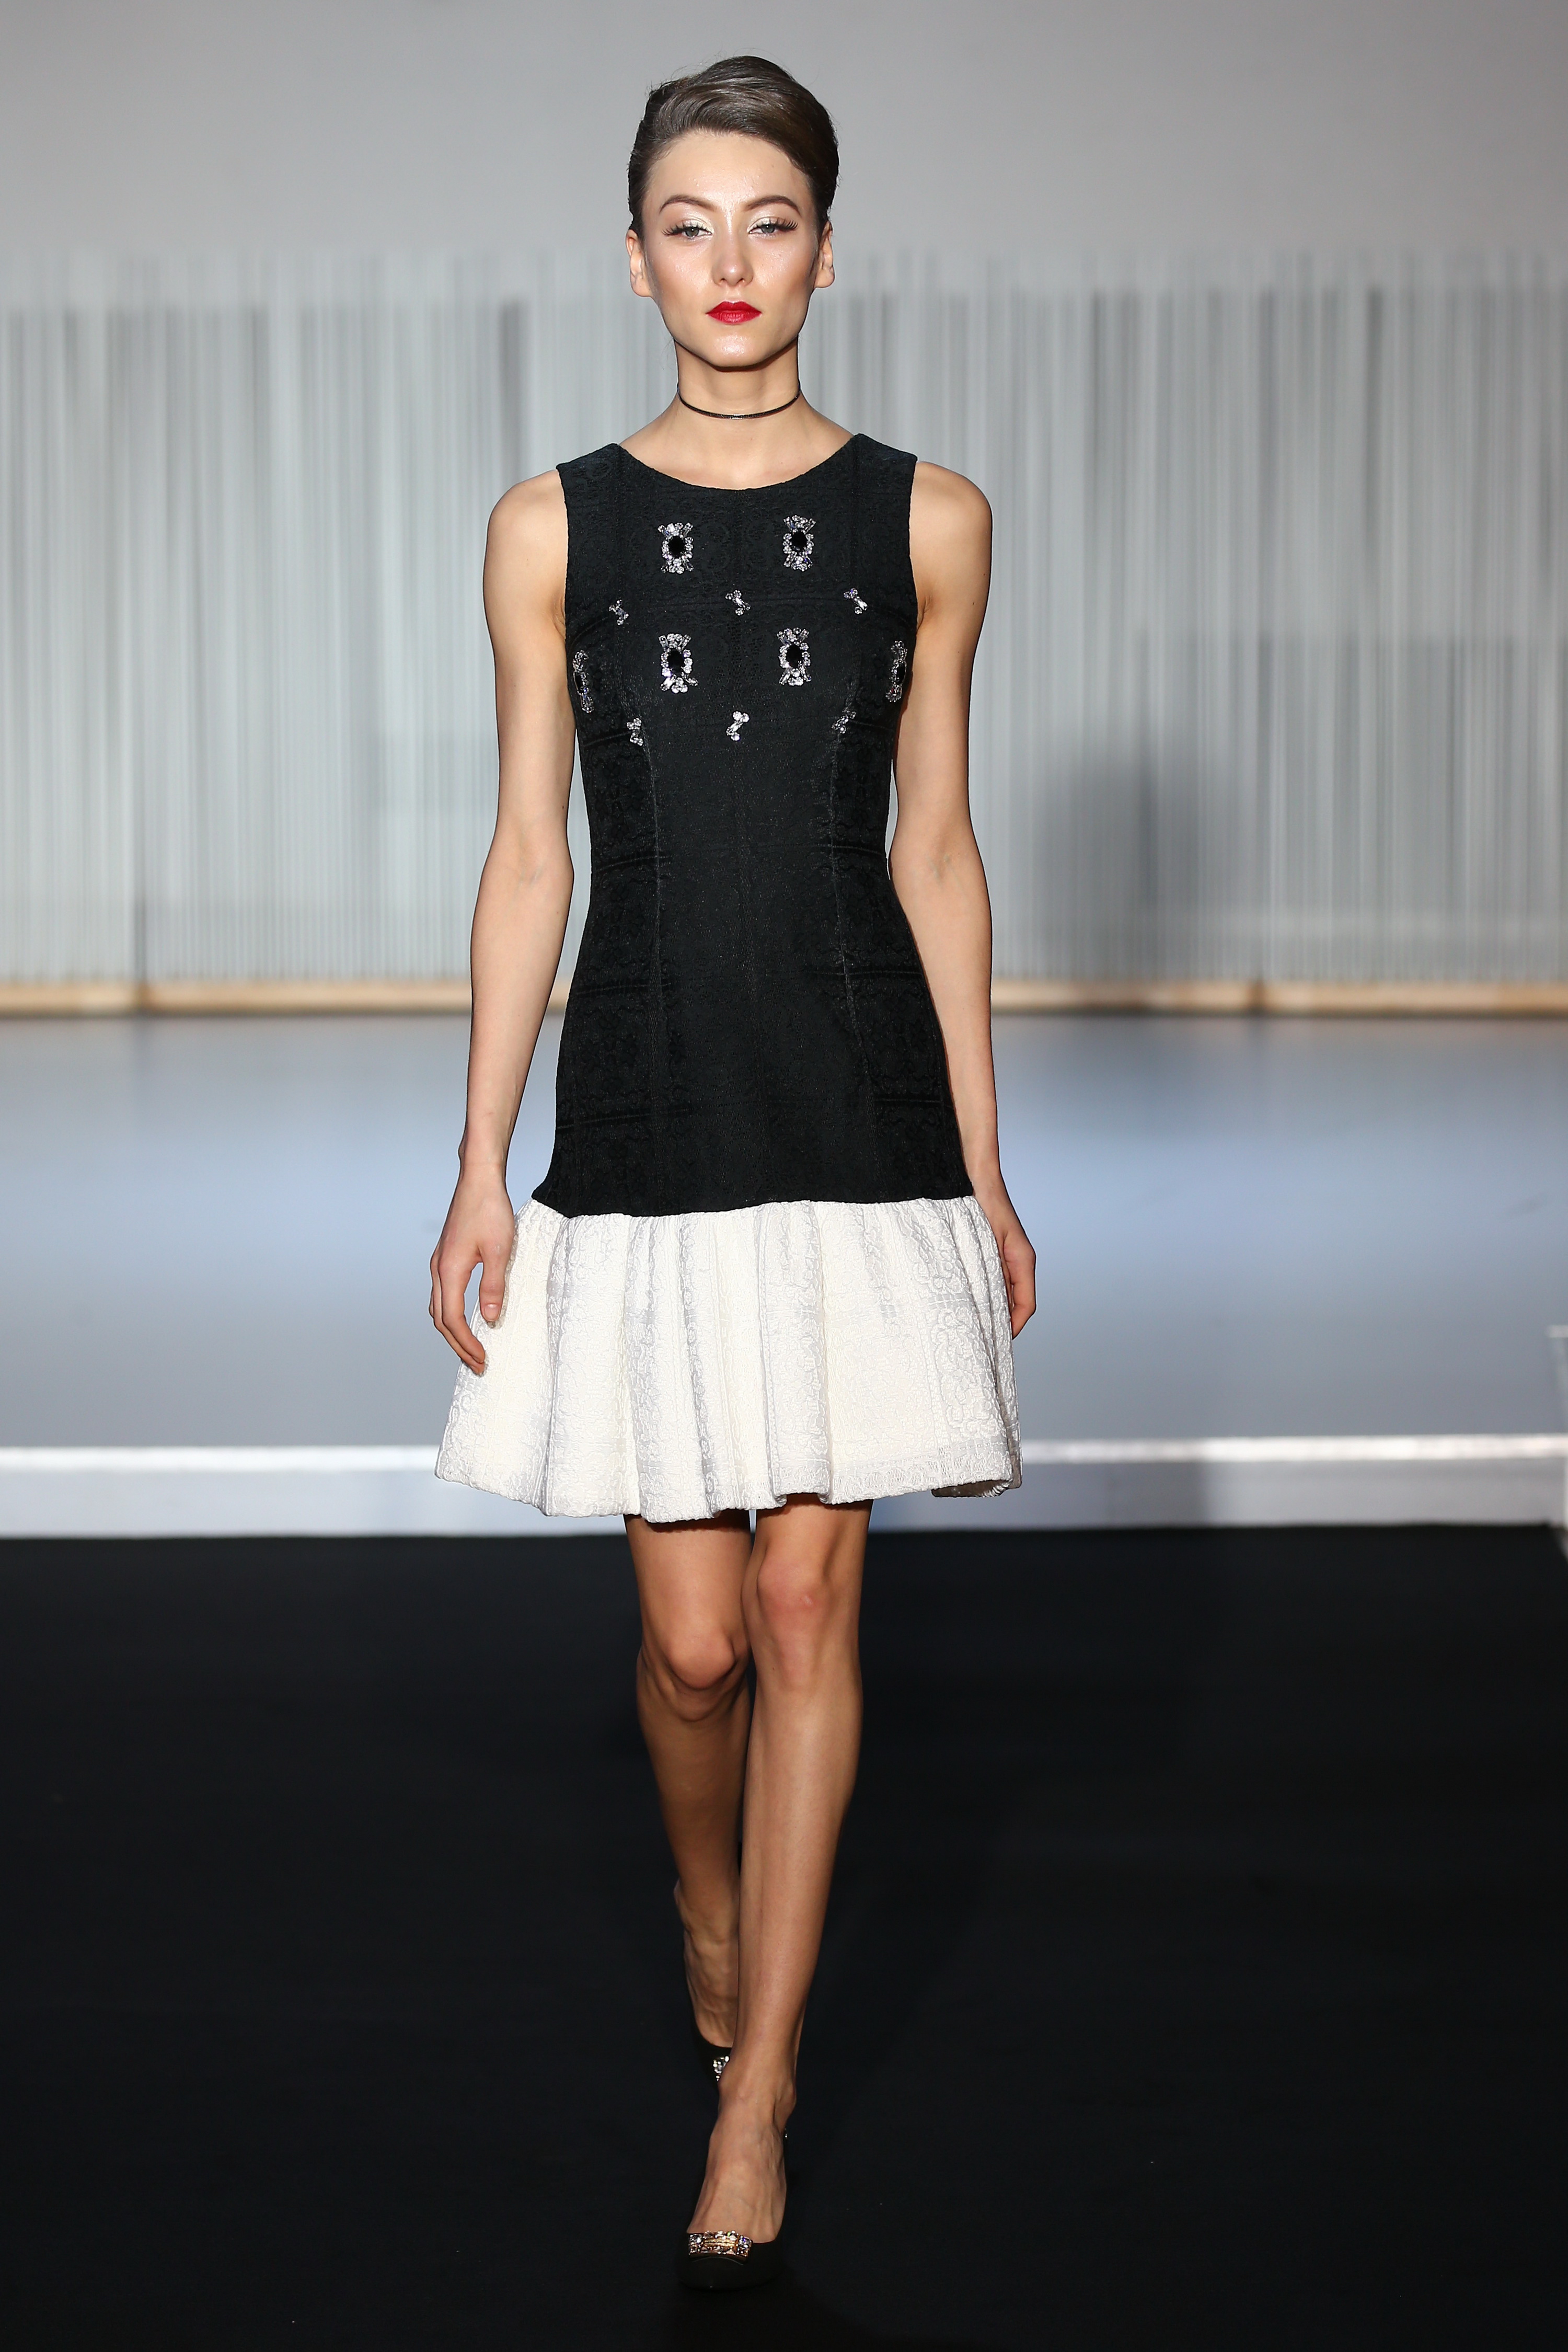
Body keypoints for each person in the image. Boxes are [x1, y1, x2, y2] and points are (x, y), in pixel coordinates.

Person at [428, 54, 1035, 2292]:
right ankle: (709, 1907)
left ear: (826, 252)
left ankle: (758, 2083)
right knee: (691, 1654)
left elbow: (939, 851)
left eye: (770, 220)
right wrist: (479, 1161)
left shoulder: (930, 519)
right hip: (655, 1095)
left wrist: (986, 1163)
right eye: (690, 224)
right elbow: (530, 858)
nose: (732, 263)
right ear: (635, 259)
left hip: (858, 1099)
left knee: (802, 1610)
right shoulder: (554, 527)